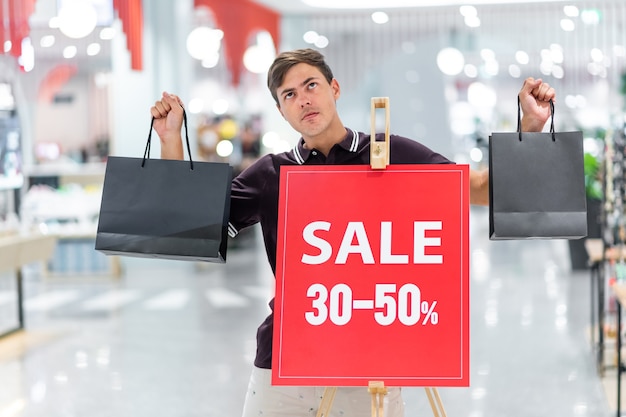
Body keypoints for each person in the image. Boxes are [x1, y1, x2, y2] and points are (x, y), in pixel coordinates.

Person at [150, 48, 556, 417]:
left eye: (311, 85)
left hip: (369, 366)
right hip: (284, 364)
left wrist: (530, 131)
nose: (303, 99)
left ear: (334, 88)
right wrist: (171, 141)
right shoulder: (273, 173)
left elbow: (482, 188)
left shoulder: (392, 154)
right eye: (289, 95)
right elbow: (196, 224)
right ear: (280, 110)